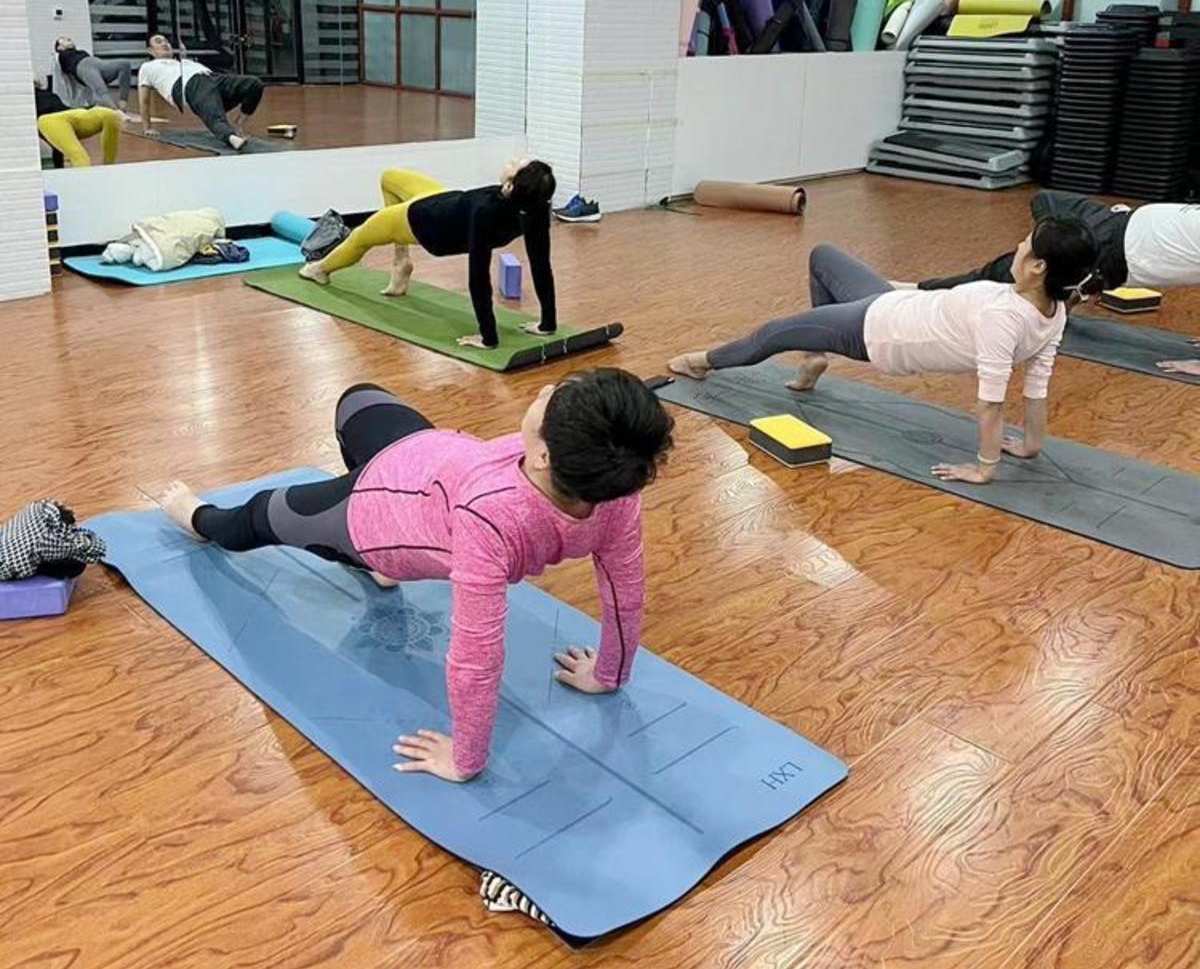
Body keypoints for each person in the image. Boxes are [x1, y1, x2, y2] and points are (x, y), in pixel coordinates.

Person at [158, 369, 674, 782]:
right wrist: (610, 673)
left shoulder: (489, 518)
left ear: (542, 456)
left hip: (372, 515)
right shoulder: (616, 490)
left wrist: (466, 758)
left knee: (257, 516)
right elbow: (624, 591)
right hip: (421, 456)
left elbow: (476, 655)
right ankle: (376, 559)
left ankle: (200, 520)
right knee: (355, 400)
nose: (542, 392)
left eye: (549, 400)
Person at [668, 222, 1097, 484]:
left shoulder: (1004, 319)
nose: (1018, 246)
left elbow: (991, 403)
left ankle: (702, 362)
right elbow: (1037, 386)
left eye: (1025, 243)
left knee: (772, 334)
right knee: (823, 256)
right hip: (892, 303)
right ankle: (814, 356)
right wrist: (1031, 445)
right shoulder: (1052, 311)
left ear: (1038, 266)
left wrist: (985, 467)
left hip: (875, 332)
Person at [915, 191, 1200, 379]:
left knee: (999, 272)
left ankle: (920, 292)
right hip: (1117, 218)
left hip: (1109, 249)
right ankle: (1066, 277)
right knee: (1046, 199)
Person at [301, 160, 559, 350]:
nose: (512, 162)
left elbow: (479, 279)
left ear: (510, 186)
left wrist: (488, 337)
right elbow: (541, 265)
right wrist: (547, 323)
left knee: (360, 237)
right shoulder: (535, 210)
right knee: (389, 177)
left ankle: (320, 269)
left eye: (517, 166)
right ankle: (400, 261)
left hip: (424, 221)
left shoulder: (486, 213)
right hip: (446, 202)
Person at [137, 34, 263, 152]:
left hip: (212, 78)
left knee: (253, 84)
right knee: (214, 116)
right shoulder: (147, 67)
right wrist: (147, 128)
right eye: (159, 42)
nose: (165, 44)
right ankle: (232, 138)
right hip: (189, 85)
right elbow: (144, 100)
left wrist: (184, 56)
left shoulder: (183, 62)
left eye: (166, 41)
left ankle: (239, 124)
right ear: (150, 50)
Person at [35, 83, 121, 167]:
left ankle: (107, 166)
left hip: (61, 117)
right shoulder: (48, 96)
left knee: (80, 158)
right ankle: (108, 166)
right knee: (80, 158)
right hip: (59, 117)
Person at [53, 36, 134, 114]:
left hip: (98, 63)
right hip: (83, 67)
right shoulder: (61, 56)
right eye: (65, 40)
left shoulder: (81, 52)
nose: (69, 40)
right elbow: (59, 76)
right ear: (59, 47)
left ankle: (123, 101)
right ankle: (117, 113)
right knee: (101, 91)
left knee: (124, 64)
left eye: (69, 39)